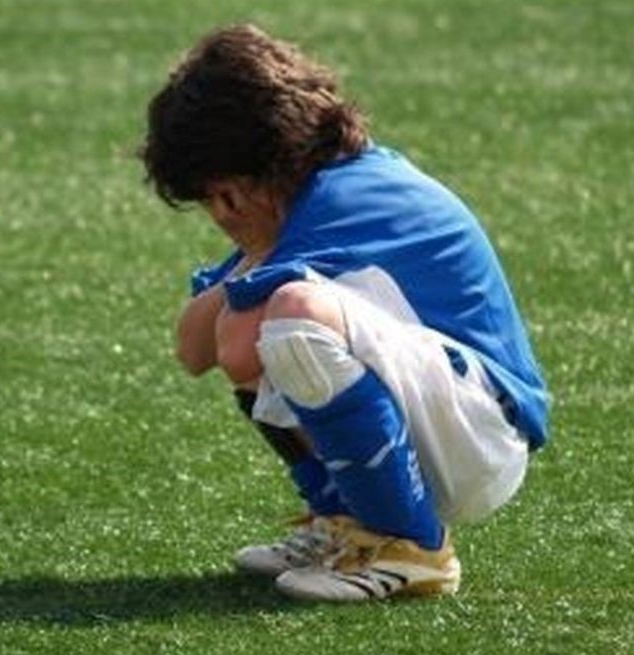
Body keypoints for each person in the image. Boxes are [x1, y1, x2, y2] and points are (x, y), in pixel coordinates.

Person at [139, 24, 549, 602]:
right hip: (450, 419)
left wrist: (254, 253)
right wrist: (255, 249)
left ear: (239, 172)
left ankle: (414, 546)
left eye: (212, 195)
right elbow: (192, 347)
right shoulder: (308, 198)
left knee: (291, 314)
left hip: (482, 435)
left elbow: (226, 346)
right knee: (276, 320)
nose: (216, 213)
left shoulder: (344, 199)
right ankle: (348, 524)